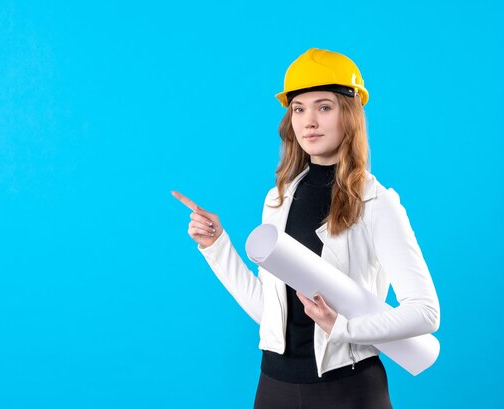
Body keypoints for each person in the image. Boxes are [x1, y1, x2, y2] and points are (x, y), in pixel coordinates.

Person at [171, 48, 440, 409]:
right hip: (274, 386)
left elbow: (425, 312)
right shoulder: (277, 199)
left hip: (348, 389)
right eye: (299, 108)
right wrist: (216, 246)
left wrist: (343, 329)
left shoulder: (376, 202)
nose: (309, 121)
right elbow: (270, 312)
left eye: (324, 107)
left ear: (350, 115)